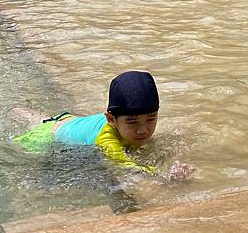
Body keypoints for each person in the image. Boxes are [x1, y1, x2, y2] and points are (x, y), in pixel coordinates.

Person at [14, 70, 193, 180]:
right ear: (111, 119)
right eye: (132, 122)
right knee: (33, 125)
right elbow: (124, 164)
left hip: (69, 121)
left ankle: (18, 109)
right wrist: (162, 176)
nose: (143, 129)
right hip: (47, 136)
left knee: (33, 117)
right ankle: (15, 109)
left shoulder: (121, 121)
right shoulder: (106, 139)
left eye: (151, 119)